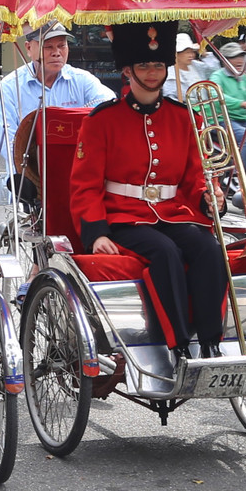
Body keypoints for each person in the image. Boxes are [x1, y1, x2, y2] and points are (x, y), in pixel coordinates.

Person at [70, 21, 226, 362]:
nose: (152, 72)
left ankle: (212, 341)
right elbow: (85, 184)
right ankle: (179, 345)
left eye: (158, 64)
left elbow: (194, 176)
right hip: (124, 217)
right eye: (144, 65)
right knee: (165, 252)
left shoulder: (183, 116)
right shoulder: (101, 120)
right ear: (127, 70)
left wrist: (210, 196)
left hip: (171, 211)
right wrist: (95, 232)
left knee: (208, 249)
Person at [0, 24, 116, 203]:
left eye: (62, 45)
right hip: (30, 185)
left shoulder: (82, 81)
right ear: (29, 48)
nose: (57, 52)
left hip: (76, 179)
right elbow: (8, 144)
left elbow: (109, 106)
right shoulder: (10, 87)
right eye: (48, 47)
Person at [212, 40, 246, 165]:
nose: (239, 60)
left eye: (241, 56)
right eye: (234, 57)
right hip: (223, 120)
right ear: (224, 60)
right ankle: (237, 173)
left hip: (242, 119)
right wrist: (240, 103)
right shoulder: (217, 77)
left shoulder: (243, 77)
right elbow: (215, 95)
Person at [171, 34, 211, 100]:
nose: (191, 55)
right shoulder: (170, 74)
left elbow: (213, 70)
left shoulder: (197, 65)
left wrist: (206, 55)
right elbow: (170, 97)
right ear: (177, 54)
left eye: (192, 52)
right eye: (187, 52)